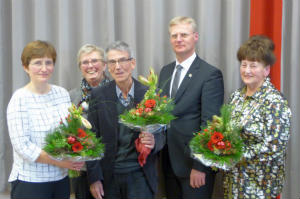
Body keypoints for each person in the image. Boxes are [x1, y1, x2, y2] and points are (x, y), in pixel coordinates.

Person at [86, 41, 165, 199]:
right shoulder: (98, 95)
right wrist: (94, 178)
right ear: (108, 67)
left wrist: (154, 140)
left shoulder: (150, 94)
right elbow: (91, 139)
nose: (118, 67)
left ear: (133, 63)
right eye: (112, 62)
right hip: (109, 175)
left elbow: (164, 133)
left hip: (140, 174)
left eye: (122, 60)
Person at [6, 40, 84, 199]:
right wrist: (61, 162)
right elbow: (23, 147)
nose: (44, 68)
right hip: (31, 182)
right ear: (25, 67)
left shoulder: (61, 93)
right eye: (37, 63)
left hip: (60, 179)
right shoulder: (19, 99)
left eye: (48, 62)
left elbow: (70, 130)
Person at [158, 16, 224, 199]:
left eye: (184, 34)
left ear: (195, 37)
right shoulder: (165, 71)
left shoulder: (210, 74)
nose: (178, 39)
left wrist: (200, 166)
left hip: (194, 168)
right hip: (168, 162)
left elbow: (210, 125)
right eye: (174, 35)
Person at [223, 35, 291, 199]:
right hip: (233, 183)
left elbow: (275, 147)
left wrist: (236, 155)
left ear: (266, 70)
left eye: (253, 66)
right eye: (244, 64)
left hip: (260, 186)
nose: (246, 70)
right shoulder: (235, 98)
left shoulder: (275, 101)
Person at [69, 44, 110, 199]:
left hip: (111, 169)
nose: (90, 66)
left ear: (104, 65)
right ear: (80, 67)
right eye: (85, 62)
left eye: (95, 61)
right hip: (82, 169)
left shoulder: (117, 92)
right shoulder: (72, 97)